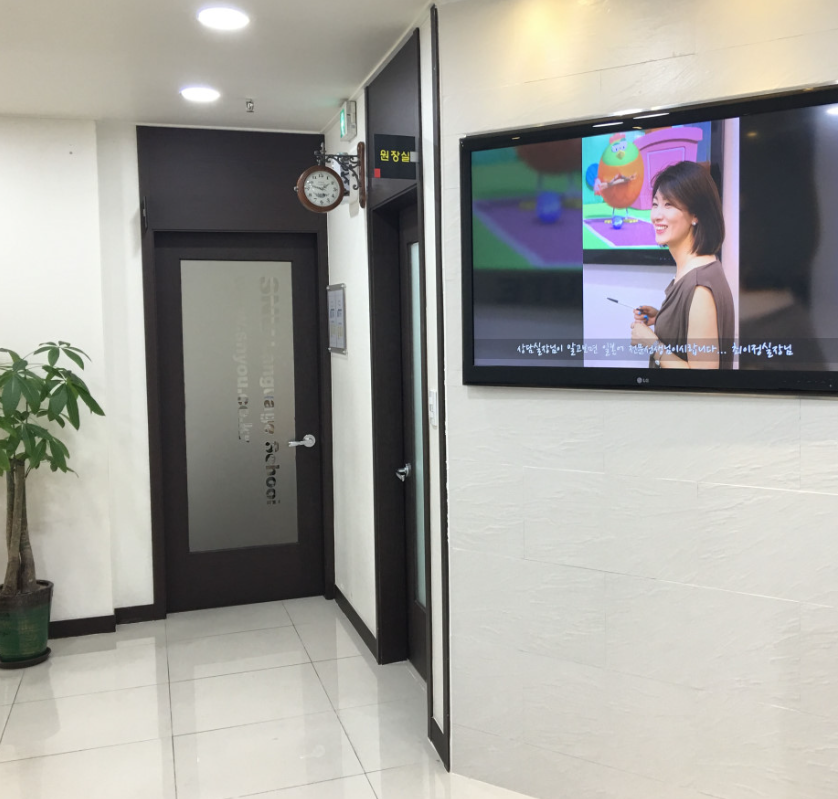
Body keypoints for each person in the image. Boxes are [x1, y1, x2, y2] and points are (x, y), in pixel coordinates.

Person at [631, 160, 735, 369]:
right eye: (655, 204)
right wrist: (663, 319)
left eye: (669, 204)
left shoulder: (699, 286)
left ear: (695, 215)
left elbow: (703, 379)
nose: (656, 215)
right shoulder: (697, 269)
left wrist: (652, 344)